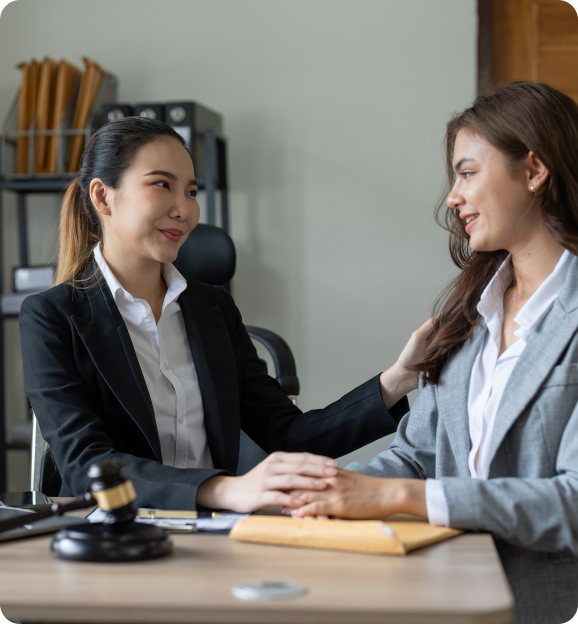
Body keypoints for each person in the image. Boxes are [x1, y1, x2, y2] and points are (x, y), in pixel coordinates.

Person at [19, 116, 431, 513]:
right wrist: (223, 490)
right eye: (162, 184)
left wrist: (398, 379)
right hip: (110, 535)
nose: (184, 209)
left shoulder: (212, 308)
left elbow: (286, 434)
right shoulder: (51, 316)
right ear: (102, 196)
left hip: (212, 534)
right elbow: (85, 463)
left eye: (192, 191)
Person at [287, 82, 578, 624]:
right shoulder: (468, 312)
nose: (452, 196)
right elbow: (415, 457)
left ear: (534, 172)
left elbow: (573, 502)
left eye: (467, 173)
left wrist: (399, 498)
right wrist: (324, 493)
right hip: (440, 593)